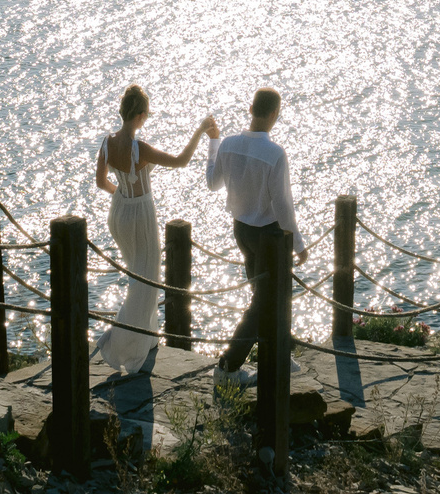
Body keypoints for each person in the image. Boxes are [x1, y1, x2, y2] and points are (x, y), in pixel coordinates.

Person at [91, 85, 207, 373]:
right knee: (146, 278)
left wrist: (122, 193)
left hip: (118, 212)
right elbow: (181, 161)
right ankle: (119, 343)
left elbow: (101, 182)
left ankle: (147, 337)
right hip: (140, 214)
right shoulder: (138, 148)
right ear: (141, 115)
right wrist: (200, 130)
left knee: (138, 274)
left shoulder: (108, 143)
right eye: (147, 114)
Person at [207, 87, 300, 386]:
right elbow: (282, 204)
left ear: (251, 108)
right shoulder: (275, 153)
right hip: (269, 236)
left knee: (265, 295)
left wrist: (214, 142)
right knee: (264, 301)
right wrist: (297, 242)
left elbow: (212, 183)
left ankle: (279, 353)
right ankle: (229, 366)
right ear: (274, 114)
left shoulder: (229, 145)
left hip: (241, 230)